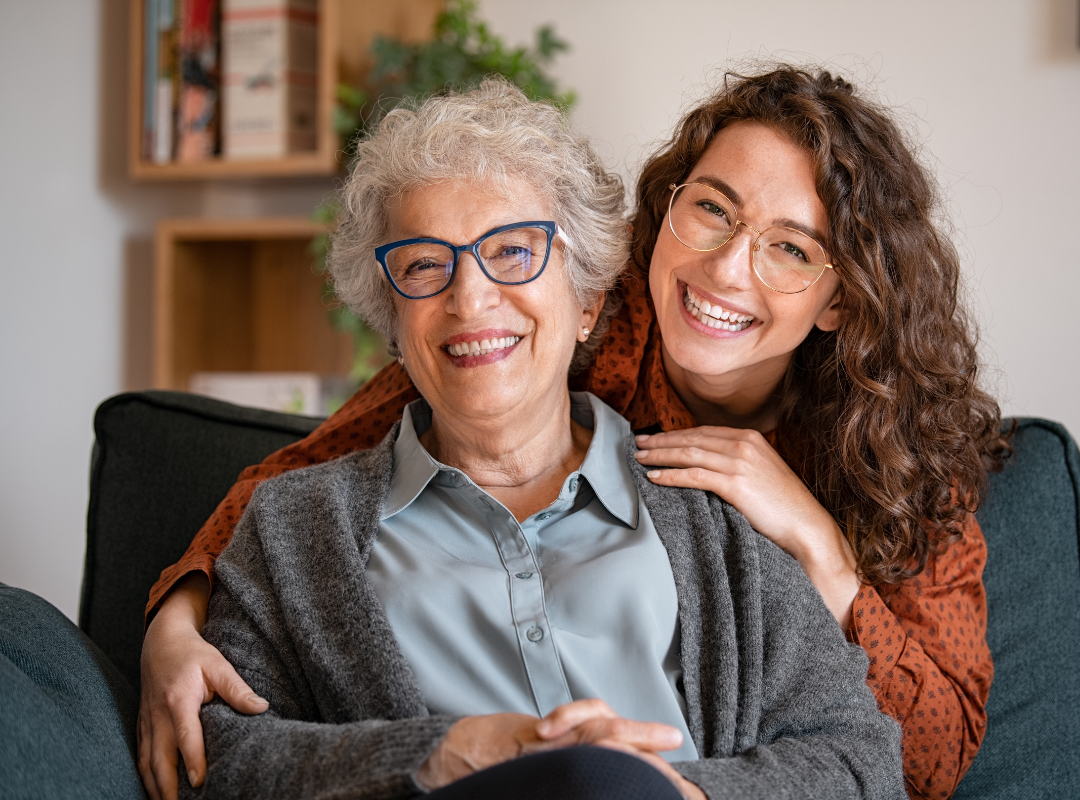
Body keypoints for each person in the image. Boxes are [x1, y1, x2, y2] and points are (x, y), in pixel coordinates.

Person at [140, 66, 1007, 800]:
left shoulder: (840, 485)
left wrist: (819, 551)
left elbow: (894, 758)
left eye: (790, 248)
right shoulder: (319, 513)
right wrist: (177, 613)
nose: (726, 269)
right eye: (712, 209)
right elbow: (302, 480)